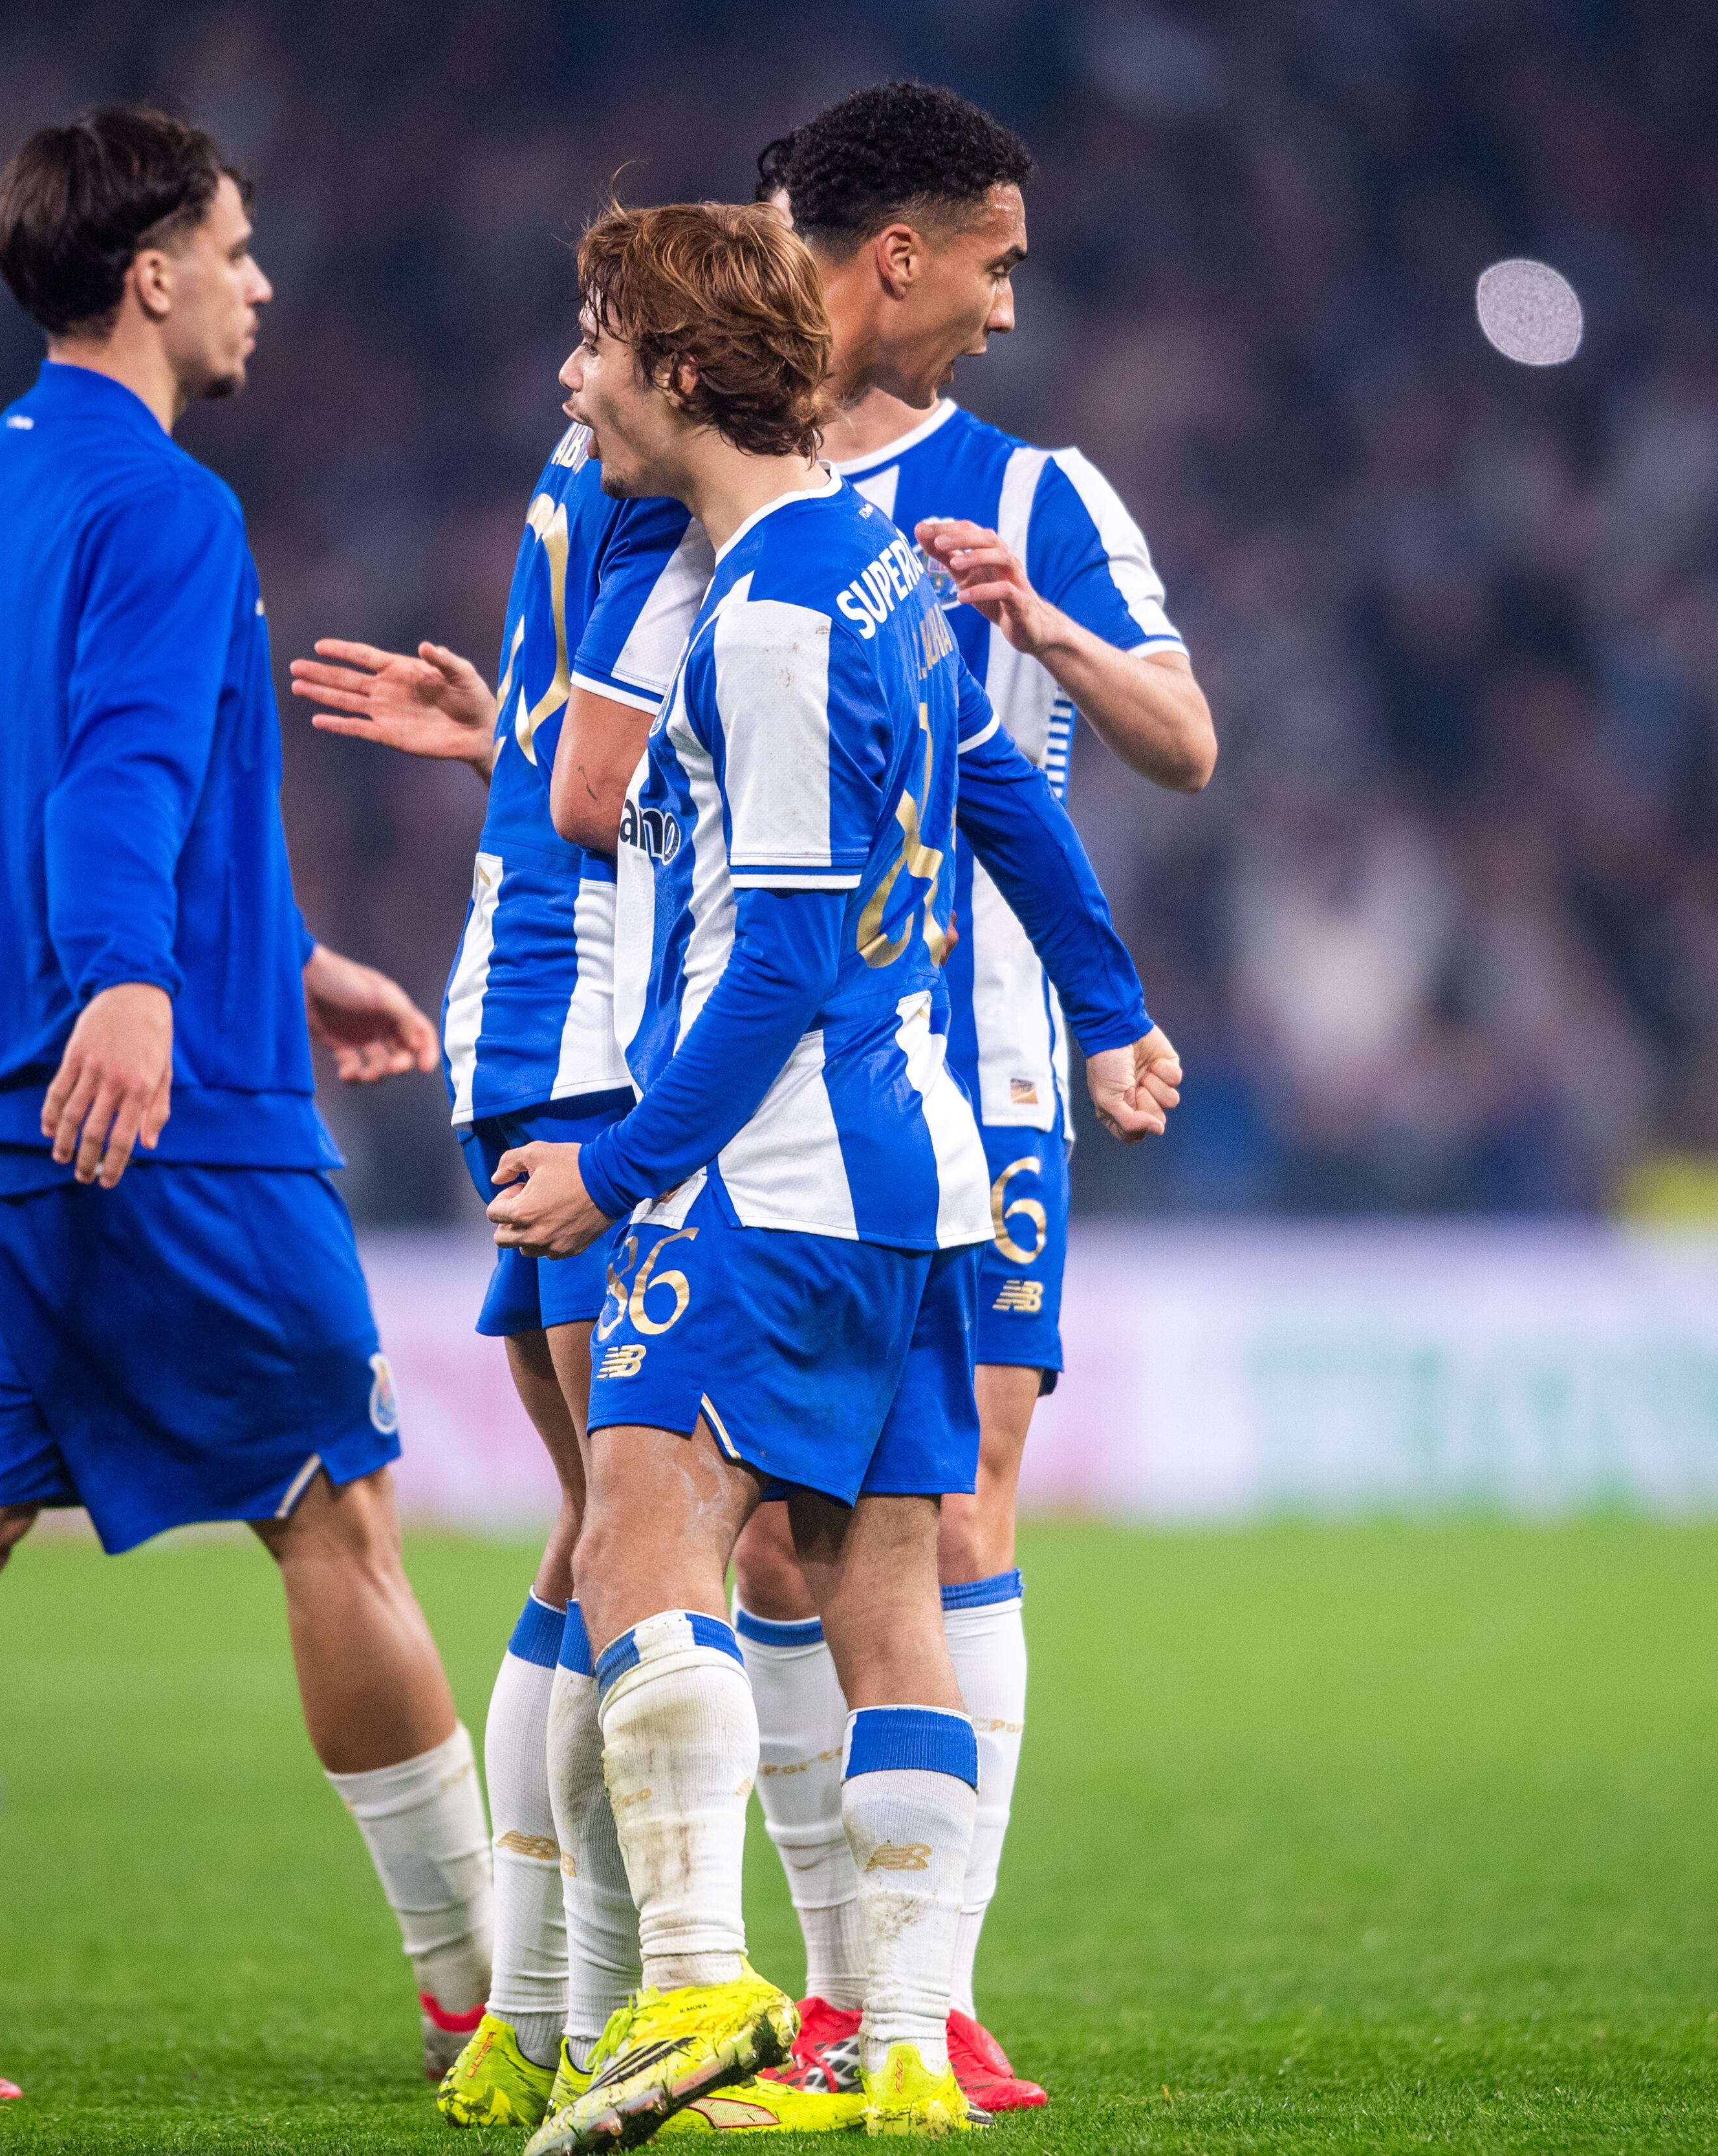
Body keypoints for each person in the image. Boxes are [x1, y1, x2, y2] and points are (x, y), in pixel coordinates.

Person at [0, 107, 486, 2109]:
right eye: (241, 246)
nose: (264, 280)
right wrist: (134, 989)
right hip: (165, 1125)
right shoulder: (172, 509)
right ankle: (478, 1997)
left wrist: (273, 953)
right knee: (336, 1512)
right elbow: (111, 786)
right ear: (154, 272)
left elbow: (9, 799)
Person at [484, 198, 1179, 2151]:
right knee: (890, 1604)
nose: (578, 382)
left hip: (781, 1171)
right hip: (925, 1171)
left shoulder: (776, 616)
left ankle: (700, 1972)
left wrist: (621, 1166)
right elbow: (1006, 789)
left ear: (684, 374)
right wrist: (1113, 997)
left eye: (601, 347)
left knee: (640, 1528)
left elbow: (781, 947)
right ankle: (891, 2047)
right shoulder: (868, 567)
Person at [730, 83, 1221, 2114]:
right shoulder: (718, 464)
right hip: (759, 1064)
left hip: (982, 1072)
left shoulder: (1043, 495)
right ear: (903, 251)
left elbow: (1185, 738)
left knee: (953, 1507)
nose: (1016, 309)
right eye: (999, 262)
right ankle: (837, 1973)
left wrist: (1043, 629)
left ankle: (919, 1987)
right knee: (768, 1539)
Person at [288, 396, 708, 2124]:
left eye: (595, 344)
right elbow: (622, 792)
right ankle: (632, 1995)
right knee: (647, 1524)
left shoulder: (578, 471)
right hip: (603, 1038)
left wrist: (503, 741)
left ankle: (533, 2010)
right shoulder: (673, 477)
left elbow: (565, 773)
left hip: (525, 1013)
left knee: (602, 1526)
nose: (570, 383)